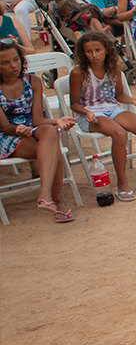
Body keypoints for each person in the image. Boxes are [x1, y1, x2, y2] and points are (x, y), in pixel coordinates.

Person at [67, 30, 136, 201]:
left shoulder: (113, 68)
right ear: (83, 53)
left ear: (106, 50)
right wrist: (87, 112)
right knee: (119, 133)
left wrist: (133, 100)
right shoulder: (78, 72)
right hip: (89, 112)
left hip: (111, 107)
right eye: (89, 51)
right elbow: (74, 103)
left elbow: (118, 95)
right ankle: (122, 183)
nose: (94, 55)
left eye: (98, 50)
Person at [0, 39, 76, 223]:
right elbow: (5, 127)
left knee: (50, 131)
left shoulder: (32, 81)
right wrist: (18, 129)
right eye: (5, 62)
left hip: (31, 128)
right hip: (7, 135)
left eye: (16, 60)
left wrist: (56, 120)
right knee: (53, 150)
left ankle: (45, 194)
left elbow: (37, 120)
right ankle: (58, 200)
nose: (13, 66)